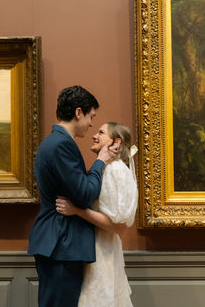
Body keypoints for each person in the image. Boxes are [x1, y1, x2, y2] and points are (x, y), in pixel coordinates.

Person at [28, 86, 118, 307]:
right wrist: (101, 161)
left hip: (59, 244)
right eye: (91, 117)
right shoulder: (61, 145)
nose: (91, 124)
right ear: (79, 112)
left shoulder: (55, 143)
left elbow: (77, 189)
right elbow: (84, 195)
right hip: (61, 244)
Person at [56, 122, 138, 307]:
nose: (94, 135)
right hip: (94, 249)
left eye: (100, 132)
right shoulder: (106, 169)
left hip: (103, 253)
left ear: (116, 142)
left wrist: (76, 210)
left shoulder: (116, 170)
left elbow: (120, 226)